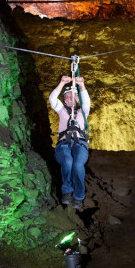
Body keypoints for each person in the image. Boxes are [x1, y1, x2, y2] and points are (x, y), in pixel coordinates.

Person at [50, 75, 91, 210]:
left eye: (72, 96)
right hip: (63, 145)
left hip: (80, 144)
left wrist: (81, 86)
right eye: (67, 97)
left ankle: (79, 197)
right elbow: (52, 99)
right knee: (67, 161)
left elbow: (86, 102)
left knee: (78, 165)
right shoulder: (61, 110)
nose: (69, 99)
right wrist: (61, 83)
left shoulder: (83, 112)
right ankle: (67, 190)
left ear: (77, 99)